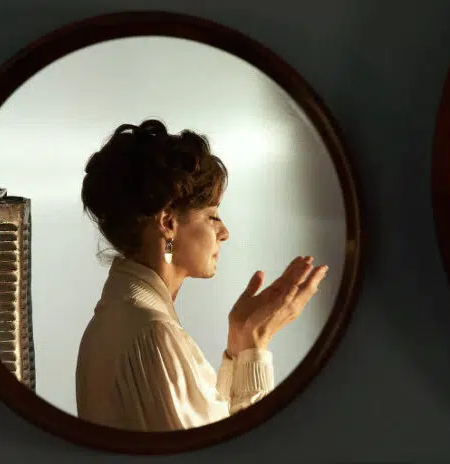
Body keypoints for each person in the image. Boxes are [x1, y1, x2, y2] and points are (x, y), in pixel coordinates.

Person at [75, 119, 328, 432]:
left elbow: (211, 428)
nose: (225, 232)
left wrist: (241, 344)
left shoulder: (123, 318)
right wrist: (256, 348)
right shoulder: (153, 333)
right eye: (212, 216)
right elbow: (238, 450)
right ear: (168, 223)